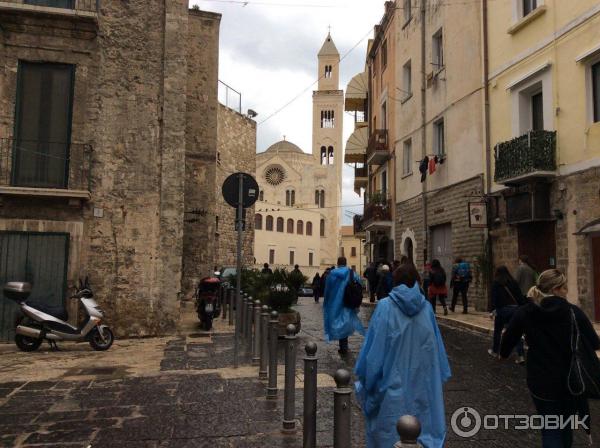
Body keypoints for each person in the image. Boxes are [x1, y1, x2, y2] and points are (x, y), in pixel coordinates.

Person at [355, 263, 451, 448]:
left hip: (391, 394)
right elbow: (438, 356)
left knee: (390, 438)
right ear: (418, 281)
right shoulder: (427, 310)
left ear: (395, 282)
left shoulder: (385, 308)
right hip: (423, 392)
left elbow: (373, 357)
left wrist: (367, 384)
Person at [500, 269, 600, 448]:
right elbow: (594, 343)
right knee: (565, 425)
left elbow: (507, 341)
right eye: (564, 287)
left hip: (541, 379)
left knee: (550, 427)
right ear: (555, 289)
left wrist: (503, 355)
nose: (566, 290)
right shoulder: (573, 312)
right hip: (571, 380)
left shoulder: (526, 312)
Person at [323, 257, 365, 355]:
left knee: (337, 322)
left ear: (338, 263)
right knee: (345, 323)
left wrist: (326, 301)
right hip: (348, 302)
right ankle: (344, 345)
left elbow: (327, 290)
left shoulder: (332, 274)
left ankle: (342, 346)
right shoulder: (351, 273)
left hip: (335, 304)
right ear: (346, 263)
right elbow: (360, 284)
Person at [488, 266, 526, 364]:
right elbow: (520, 297)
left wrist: (492, 310)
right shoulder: (513, 282)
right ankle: (520, 356)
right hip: (515, 310)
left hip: (502, 311)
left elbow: (494, 299)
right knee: (516, 332)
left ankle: (495, 351)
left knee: (497, 331)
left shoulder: (496, 283)